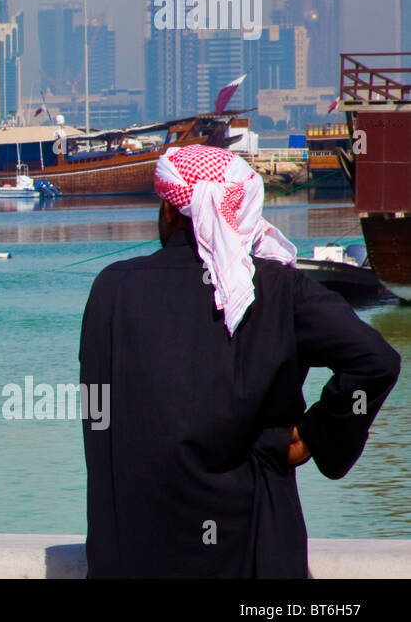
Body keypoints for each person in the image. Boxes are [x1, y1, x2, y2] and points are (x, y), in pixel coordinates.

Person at [79, 144, 400, 578]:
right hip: (252, 545)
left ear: (172, 211)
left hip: (132, 553)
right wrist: (314, 435)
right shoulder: (278, 290)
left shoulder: (111, 289)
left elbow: (100, 411)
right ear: (243, 213)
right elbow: (375, 361)